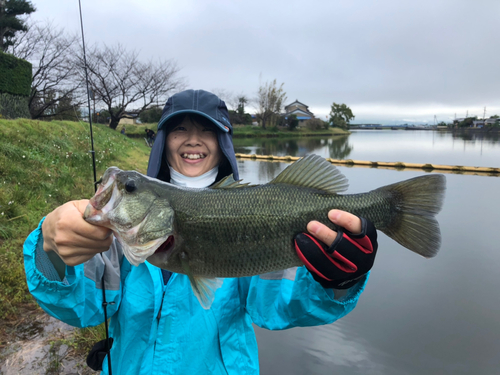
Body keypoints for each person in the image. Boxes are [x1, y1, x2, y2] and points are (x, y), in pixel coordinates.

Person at [23, 90, 377, 374]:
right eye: (179, 130)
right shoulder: (119, 230)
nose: (193, 140)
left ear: (223, 142)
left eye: (207, 130)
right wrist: (50, 248)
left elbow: (282, 306)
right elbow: (79, 307)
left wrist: (337, 282)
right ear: (163, 140)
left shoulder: (252, 209)